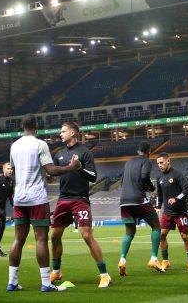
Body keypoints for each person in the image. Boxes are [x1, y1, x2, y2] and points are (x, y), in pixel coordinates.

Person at [6, 114, 81, 293]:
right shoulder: (40, 144)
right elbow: (52, 170)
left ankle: (12, 282)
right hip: (36, 198)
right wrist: (71, 167)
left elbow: (15, 171)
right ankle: (46, 283)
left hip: (19, 198)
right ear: (36, 127)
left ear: (23, 127)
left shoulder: (14, 145)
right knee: (41, 239)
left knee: (18, 239)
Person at [49, 122, 111, 288]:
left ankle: (105, 275)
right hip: (63, 199)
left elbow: (93, 177)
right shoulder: (59, 154)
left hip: (80, 199)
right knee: (54, 236)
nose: (60, 134)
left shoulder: (85, 153)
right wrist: (48, 176)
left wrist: (80, 168)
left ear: (73, 132)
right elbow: (53, 175)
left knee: (86, 235)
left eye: (63, 131)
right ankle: (56, 271)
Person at [118, 141, 166, 275]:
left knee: (129, 232)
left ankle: (122, 260)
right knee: (156, 226)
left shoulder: (128, 163)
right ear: (149, 151)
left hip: (124, 201)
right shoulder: (146, 161)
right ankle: (154, 259)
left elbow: (122, 181)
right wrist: (150, 187)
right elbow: (144, 176)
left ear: (137, 151)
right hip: (138, 199)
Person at [155, 153, 188, 271]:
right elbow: (159, 194)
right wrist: (158, 206)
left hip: (181, 212)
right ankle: (165, 261)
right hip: (167, 212)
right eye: (158, 163)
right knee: (161, 235)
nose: (160, 165)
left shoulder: (177, 175)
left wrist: (176, 199)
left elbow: (187, 189)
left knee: (184, 236)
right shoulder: (159, 177)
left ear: (168, 161)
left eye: (161, 162)